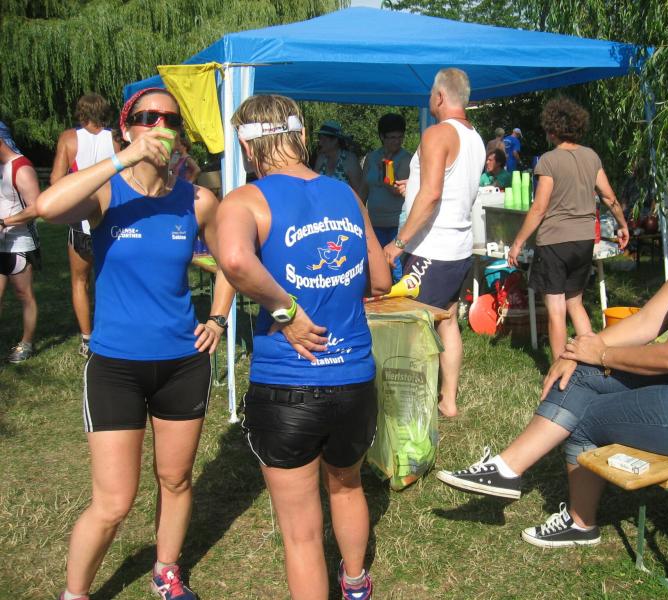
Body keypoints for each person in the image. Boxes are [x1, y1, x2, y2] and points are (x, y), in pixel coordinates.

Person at [438, 152, 668, 548]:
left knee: (586, 418)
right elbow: (650, 320)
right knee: (582, 373)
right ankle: (506, 469)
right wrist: (582, 350)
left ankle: (580, 523)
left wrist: (601, 355)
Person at [37, 87, 235, 600]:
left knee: (176, 480)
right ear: (126, 129)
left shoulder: (196, 200)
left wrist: (217, 318)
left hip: (183, 364)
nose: (160, 126)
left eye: (171, 119)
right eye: (148, 117)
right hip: (115, 368)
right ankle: (75, 593)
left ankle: (166, 571)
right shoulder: (107, 192)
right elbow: (46, 206)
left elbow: (230, 263)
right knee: (113, 503)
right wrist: (121, 159)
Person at [215, 94, 390, 600]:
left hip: (287, 382)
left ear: (247, 148)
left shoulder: (244, 200)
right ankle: (355, 583)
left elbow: (233, 259)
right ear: (303, 137)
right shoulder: (346, 194)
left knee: (301, 533)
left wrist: (286, 310)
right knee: (348, 484)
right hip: (353, 376)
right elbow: (380, 278)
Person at [383, 68, 485, 418]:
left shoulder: (437, 133)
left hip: (432, 249)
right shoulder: (475, 137)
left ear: (440, 96)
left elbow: (432, 195)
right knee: (447, 320)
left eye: (430, 93)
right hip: (458, 248)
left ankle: (411, 406)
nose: (429, 99)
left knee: (415, 328)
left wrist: (399, 242)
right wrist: (411, 187)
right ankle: (447, 400)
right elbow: (446, 187)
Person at [507, 97, 629, 360]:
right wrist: (622, 224)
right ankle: (595, 359)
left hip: (554, 242)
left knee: (556, 308)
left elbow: (539, 208)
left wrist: (517, 243)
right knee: (575, 302)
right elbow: (609, 198)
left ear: (551, 129)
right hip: (584, 241)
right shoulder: (591, 156)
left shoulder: (548, 161)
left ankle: (559, 369)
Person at [51, 93, 120, 357]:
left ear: (81, 112)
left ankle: (87, 339)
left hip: (82, 220)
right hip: (112, 217)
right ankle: (113, 331)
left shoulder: (69, 138)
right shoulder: (116, 139)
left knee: (80, 281)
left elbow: (56, 180)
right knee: (112, 278)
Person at [0, 121, 41, 363]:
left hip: (20, 242)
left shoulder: (21, 167)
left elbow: (37, 208)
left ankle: (26, 343)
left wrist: (4, 222)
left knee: (23, 293)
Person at [359, 112, 412, 281]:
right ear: (382, 136)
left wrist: (386, 166)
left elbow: (395, 189)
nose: (397, 141)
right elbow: (364, 188)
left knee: (396, 271)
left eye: (400, 137)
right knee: (375, 270)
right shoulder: (371, 157)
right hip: (374, 223)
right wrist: (358, 212)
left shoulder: (406, 159)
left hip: (396, 225)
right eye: (392, 137)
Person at [313, 119, 363, 192]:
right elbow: (314, 186)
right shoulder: (321, 159)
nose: (320, 143)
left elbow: (360, 193)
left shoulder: (349, 160)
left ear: (335, 140)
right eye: (320, 139)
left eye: (324, 139)